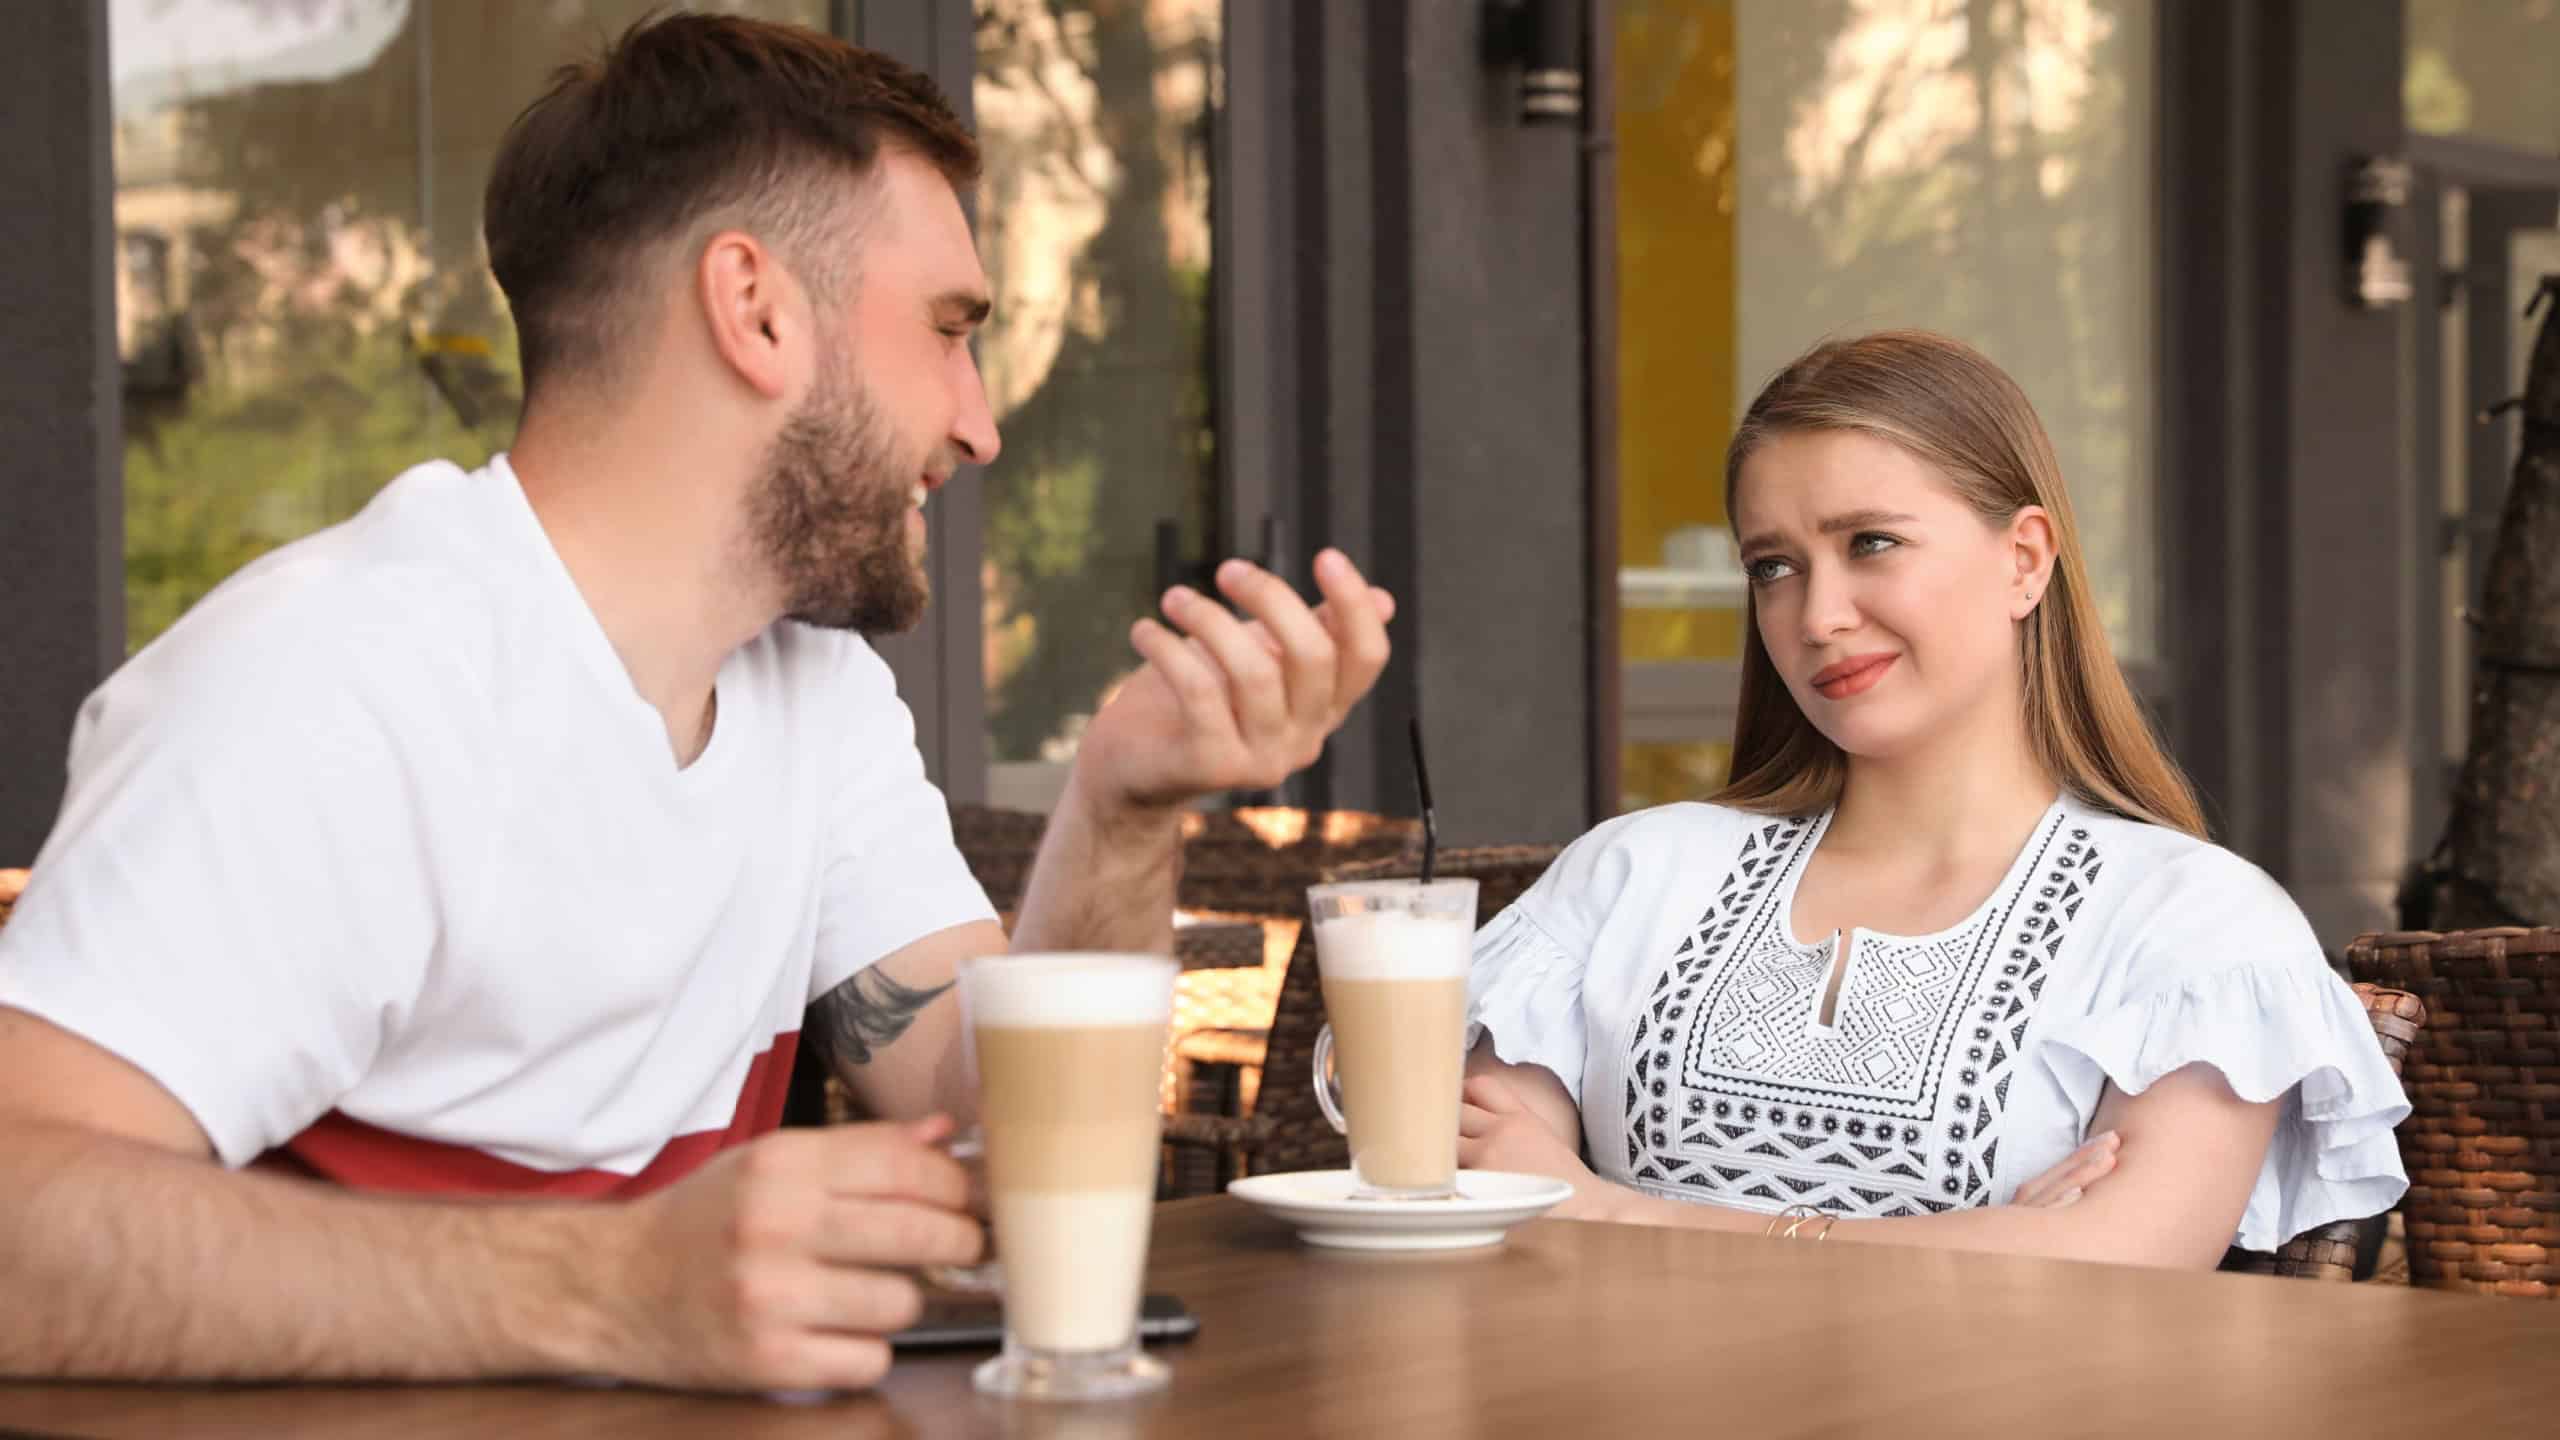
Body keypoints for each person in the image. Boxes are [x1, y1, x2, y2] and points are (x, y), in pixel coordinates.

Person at [0, 15, 1391, 1392]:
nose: (981, 421)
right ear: (758, 308)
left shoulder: (814, 694)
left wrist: (1125, 803)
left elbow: (1017, 1161)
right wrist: (614, 1288)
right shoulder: (333, 683)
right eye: (949, 330)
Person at [1457, 331, 2407, 1268]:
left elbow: (2122, 1276)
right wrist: (1993, 1247)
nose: (1818, 616)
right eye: (1773, 567)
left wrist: (1618, 1216)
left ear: (2025, 560)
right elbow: (1486, 1197)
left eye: (1871, 543)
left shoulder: (2194, 922)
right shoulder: (1634, 872)